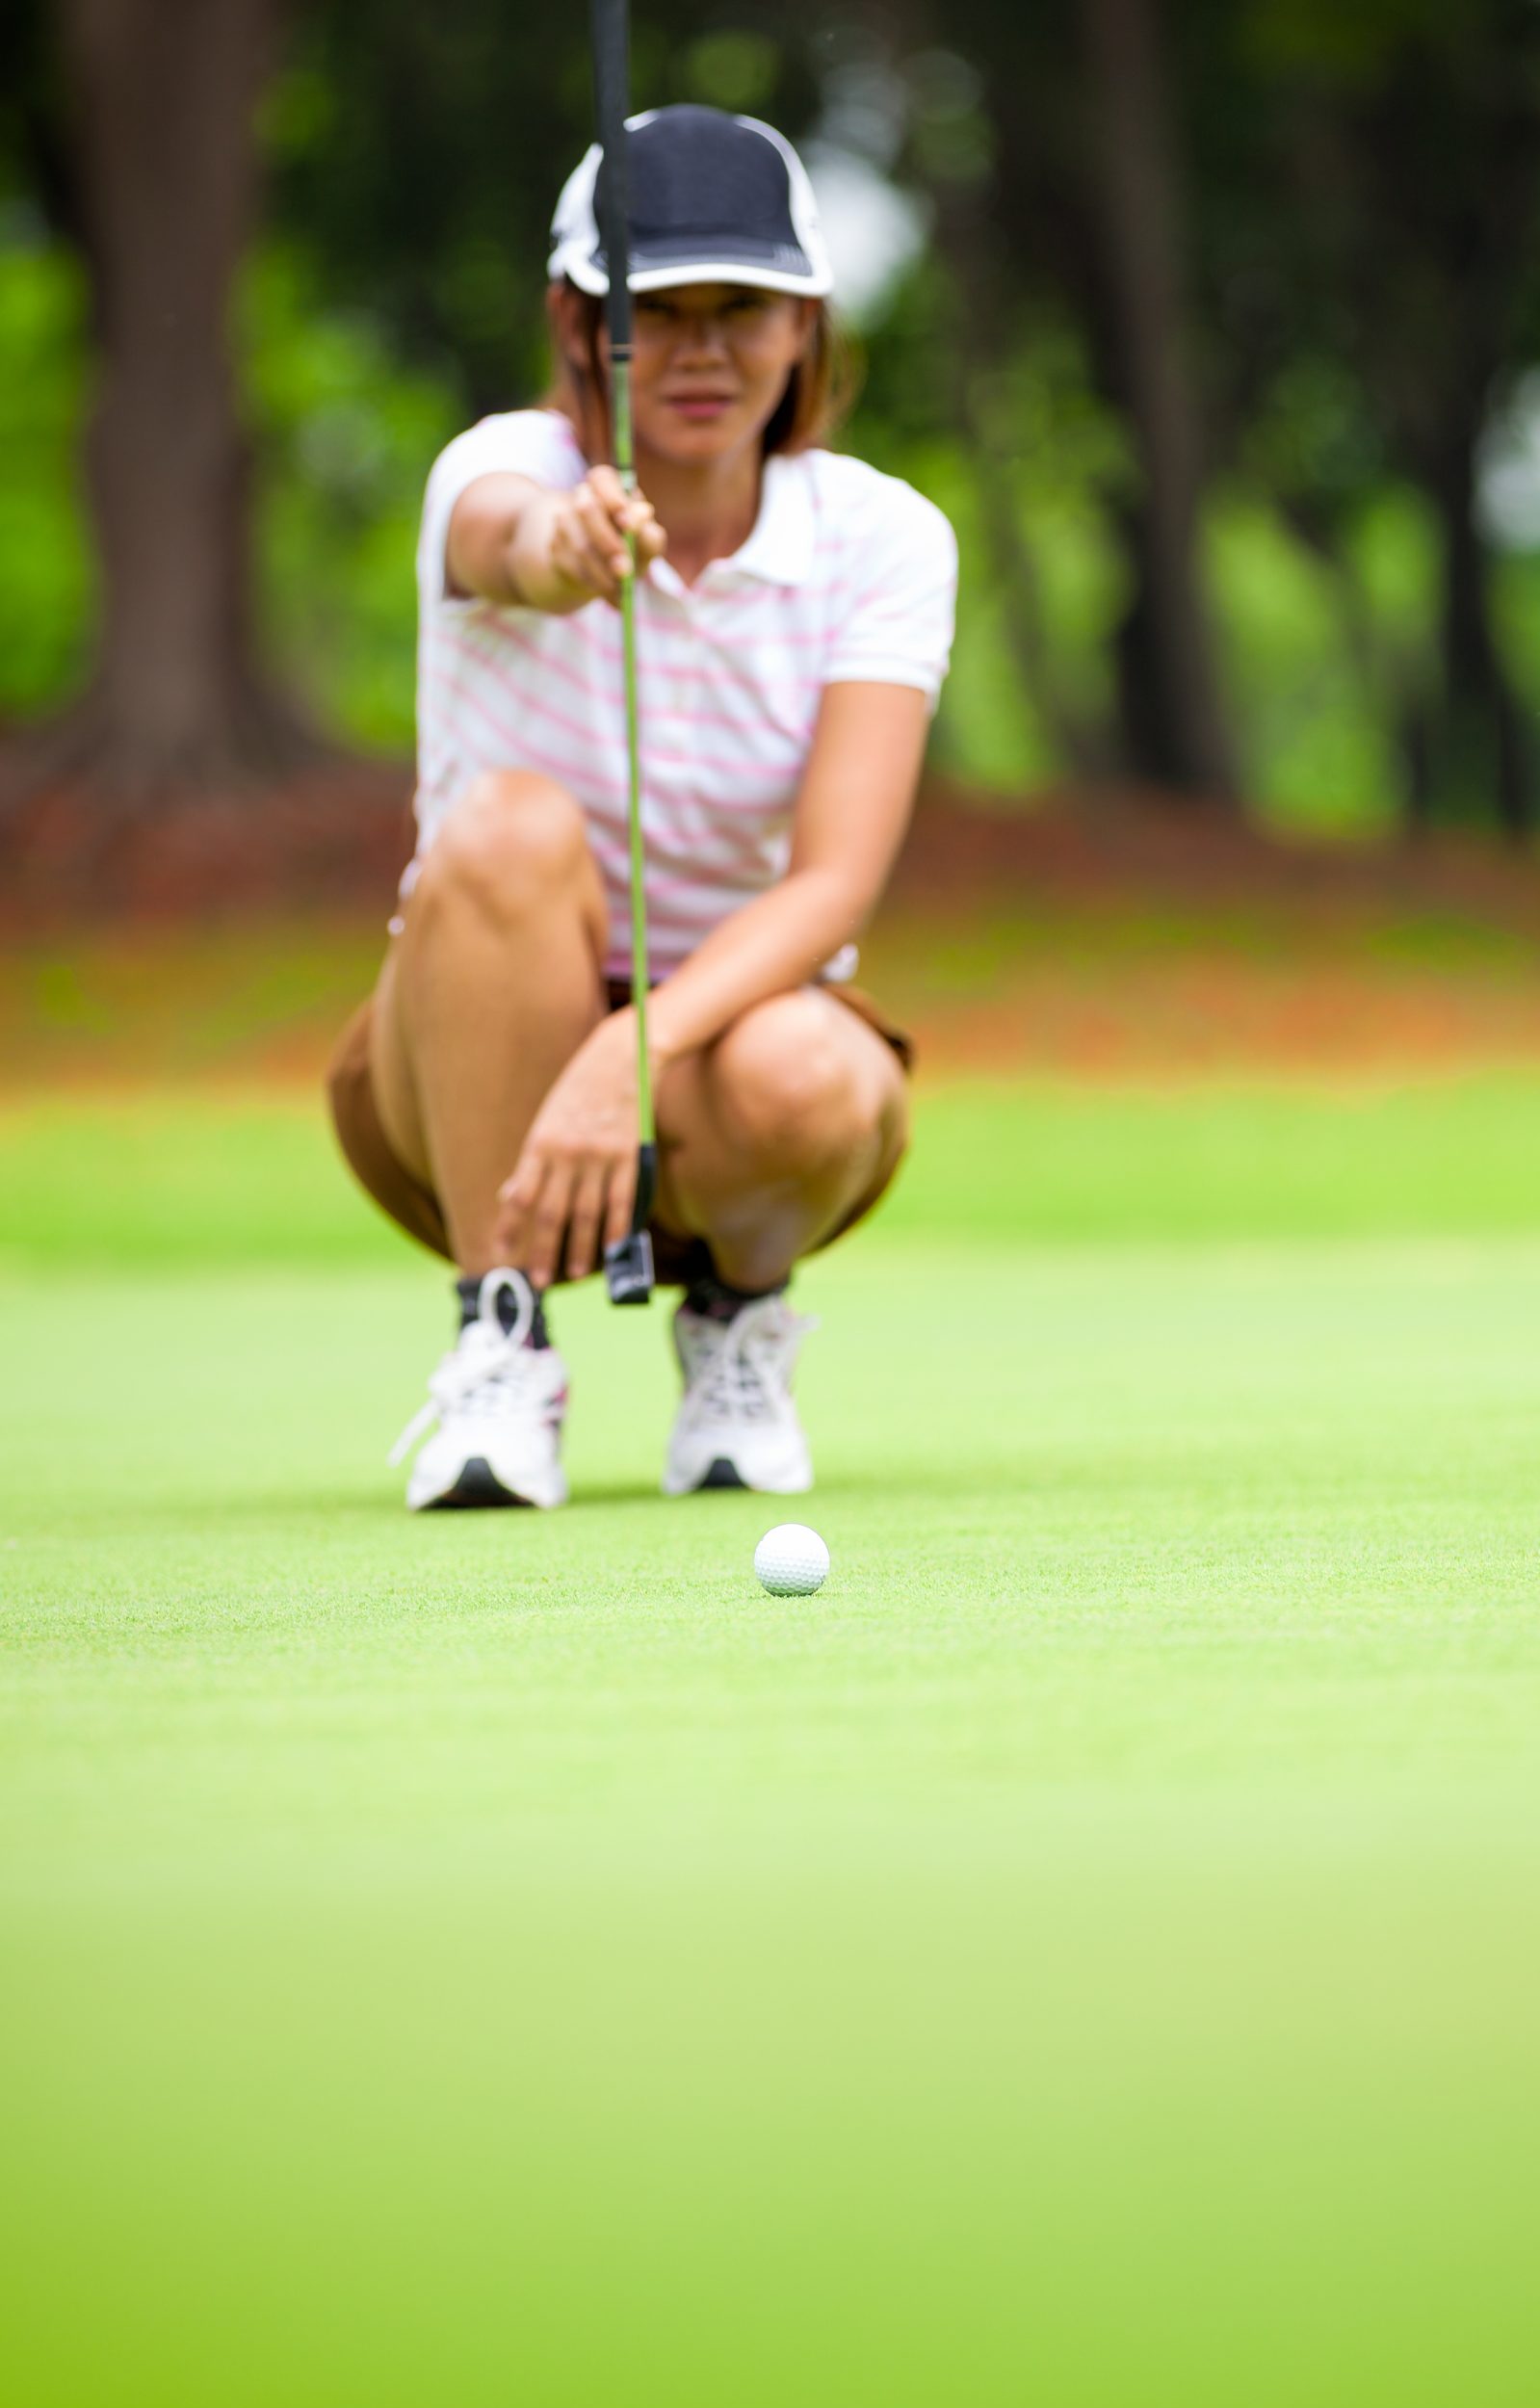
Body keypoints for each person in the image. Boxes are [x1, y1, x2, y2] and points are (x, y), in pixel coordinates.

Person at [326, 105, 955, 1510]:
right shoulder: (502, 476)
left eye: (746, 308)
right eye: (655, 311)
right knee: (506, 827)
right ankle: (500, 1346)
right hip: (460, 1067)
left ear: (807, 329)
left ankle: (737, 1327)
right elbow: (506, 541)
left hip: (726, 1062)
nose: (704, 351)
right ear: (573, 316)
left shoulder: (883, 537)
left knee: (811, 1072)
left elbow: (834, 887)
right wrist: (564, 551)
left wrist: (631, 1060)